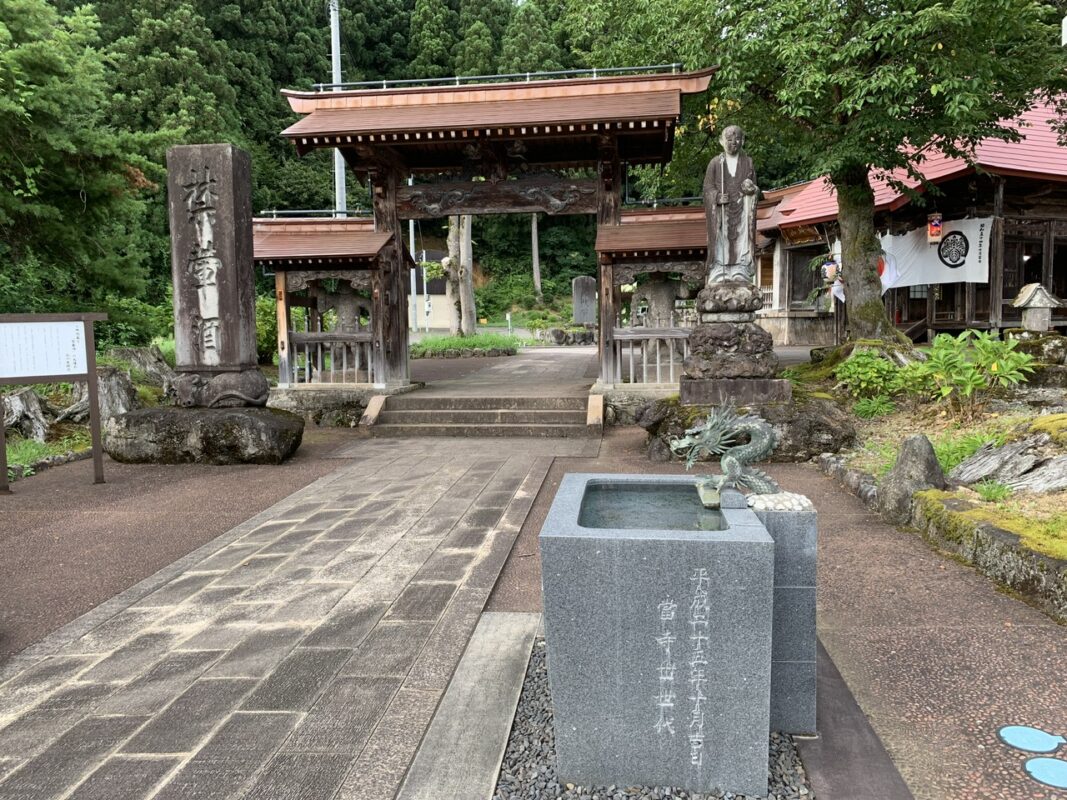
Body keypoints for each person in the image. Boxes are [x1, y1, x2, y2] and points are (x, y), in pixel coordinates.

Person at [703, 125, 759, 284]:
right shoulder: (715, 163)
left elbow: (755, 189)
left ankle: (740, 268)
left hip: (742, 210)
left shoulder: (748, 162)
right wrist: (716, 197)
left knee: (742, 238)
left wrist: (752, 190)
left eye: (737, 139)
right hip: (721, 211)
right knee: (721, 238)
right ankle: (720, 268)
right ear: (721, 141)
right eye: (729, 139)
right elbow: (707, 188)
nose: (733, 142)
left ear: (743, 141)